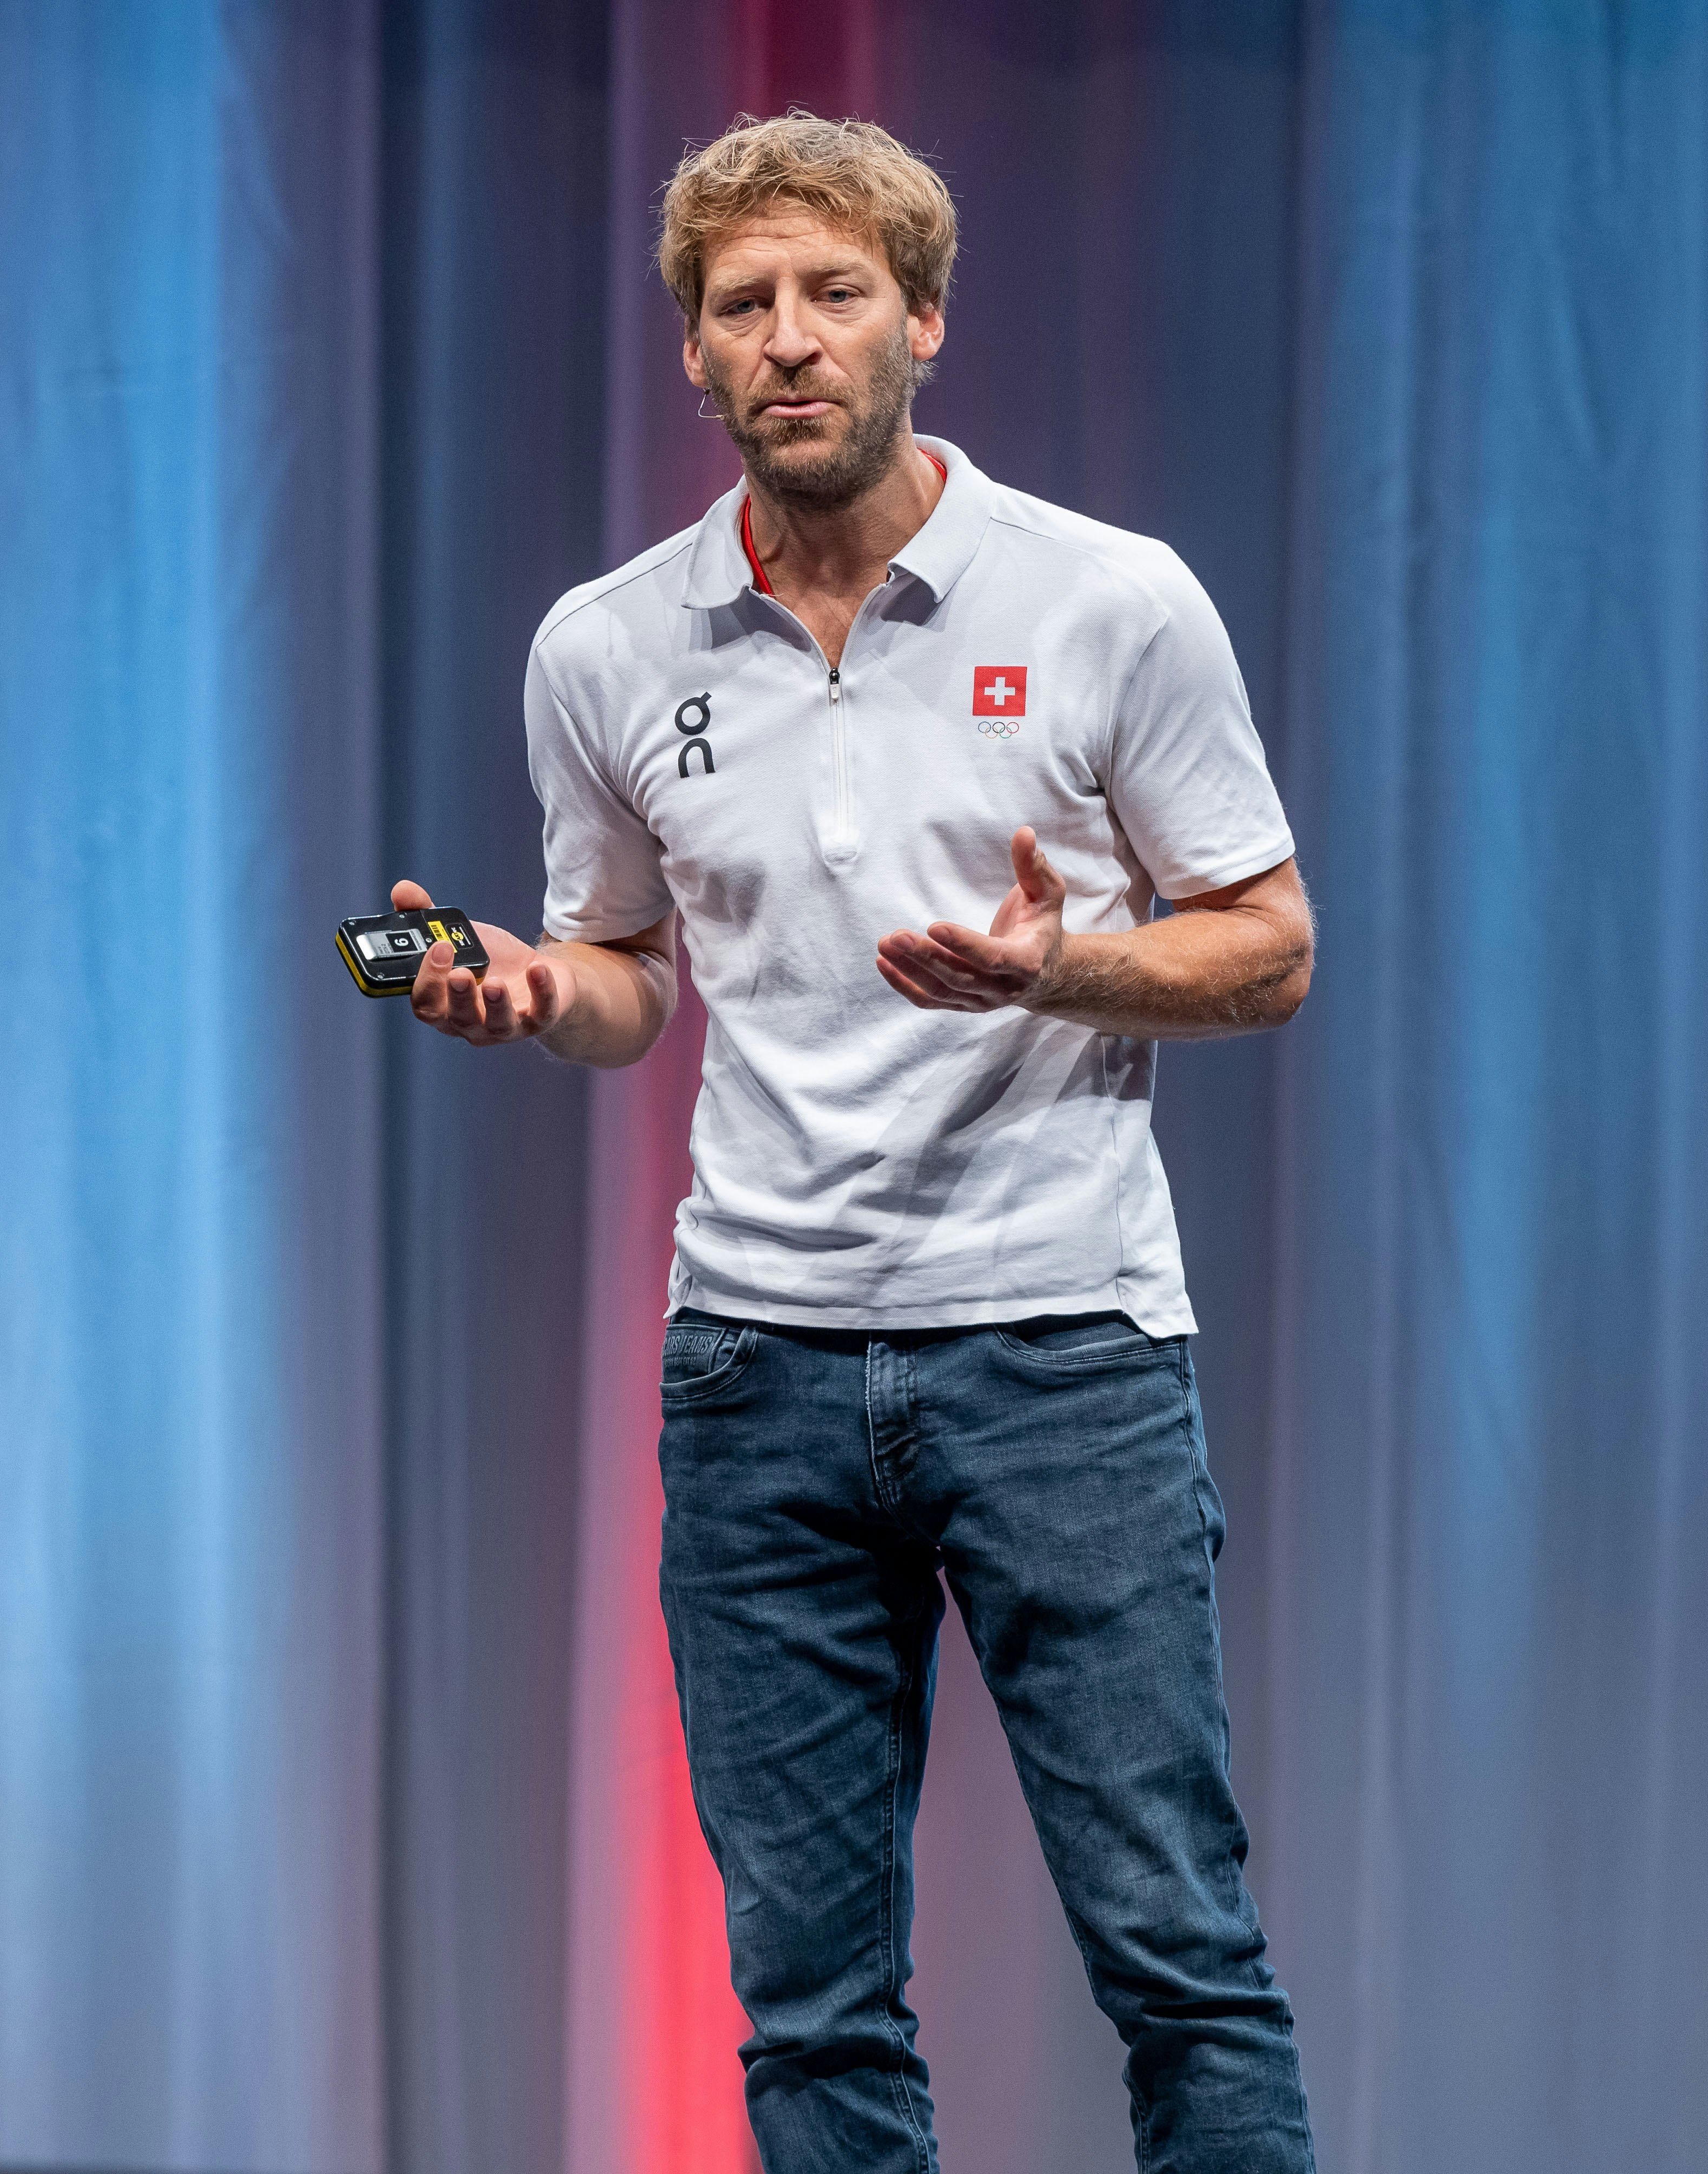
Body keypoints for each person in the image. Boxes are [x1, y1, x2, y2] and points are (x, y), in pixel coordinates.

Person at [391, 111, 1319, 2174]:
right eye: (745, 306)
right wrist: (534, 996)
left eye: (833, 294)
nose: (790, 340)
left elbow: (1268, 951)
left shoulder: (1108, 602)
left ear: (923, 320)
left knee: (1178, 1951)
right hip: (758, 1376)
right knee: (807, 2003)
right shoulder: (605, 646)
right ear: (697, 357)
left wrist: (1060, 967)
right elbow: (623, 967)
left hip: (1061, 1351)